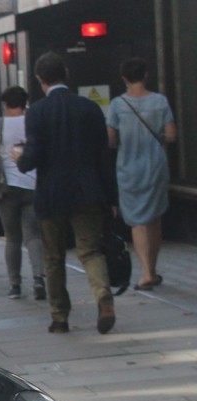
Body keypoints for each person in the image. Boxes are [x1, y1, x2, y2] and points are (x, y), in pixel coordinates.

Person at [16, 52, 117, 335]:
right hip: (88, 191)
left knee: (53, 257)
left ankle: (59, 317)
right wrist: (111, 198)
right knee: (90, 250)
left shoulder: (36, 111)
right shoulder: (90, 108)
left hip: (51, 195)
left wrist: (19, 158)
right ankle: (103, 295)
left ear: (39, 79)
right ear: (67, 74)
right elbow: (103, 157)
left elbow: (32, 158)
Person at [106, 57, 176, 292]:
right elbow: (171, 135)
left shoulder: (117, 105)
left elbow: (111, 139)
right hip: (156, 165)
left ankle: (145, 273)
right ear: (145, 75)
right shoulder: (160, 101)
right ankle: (153, 270)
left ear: (124, 78)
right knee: (154, 218)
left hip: (128, 168)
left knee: (137, 221)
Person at [0, 87, 45, 300]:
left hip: (6, 187)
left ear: (5, 103)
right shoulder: (33, 121)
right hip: (33, 183)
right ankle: (39, 277)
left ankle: (15, 284)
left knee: (12, 238)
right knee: (33, 235)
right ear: (25, 102)